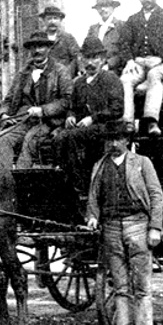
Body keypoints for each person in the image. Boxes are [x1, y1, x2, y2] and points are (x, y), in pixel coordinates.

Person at [86, 120, 163, 325]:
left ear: (127, 141)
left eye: (117, 139)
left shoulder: (142, 163)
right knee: (120, 286)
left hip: (138, 226)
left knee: (141, 285)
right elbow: (93, 197)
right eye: (109, 139)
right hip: (110, 229)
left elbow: (156, 195)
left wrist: (155, 227)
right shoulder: (99, 166)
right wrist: (92, 216)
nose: (112, 143)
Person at [55, 36, 126, 202]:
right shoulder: (79, 83)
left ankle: (82, 186)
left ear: (102, 60)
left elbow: (117, 109)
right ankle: (66, 179)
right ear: (81, 59)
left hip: (107, 127)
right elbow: (72, 106)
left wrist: (92, 118)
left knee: (71, 137)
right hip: (85, 128)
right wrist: (71, 116)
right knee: (59, 138)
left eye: (95, 58)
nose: (90, 62)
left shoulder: (110, 79)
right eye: (87, 57)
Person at [0, 31, 72, 168]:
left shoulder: (60, 71)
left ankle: (22, 183)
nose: (37, 51)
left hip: (48, 122)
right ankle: (3, 181)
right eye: (33, 47)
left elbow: (67, 100)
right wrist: (3, 114)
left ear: (48, 49)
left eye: (41, 47)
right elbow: (9, 100)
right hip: (23, 121)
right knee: (1, 139)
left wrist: (43, 110)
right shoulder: (23, 73)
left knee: (29, 141)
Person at [119, 0, 163, 136]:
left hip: (162, 63)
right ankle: (128, 122)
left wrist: (160, 58)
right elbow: (124, 43)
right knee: (125, 79)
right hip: (138, 62)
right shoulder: (132, 20)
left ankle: (151, 121)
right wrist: (130, 60)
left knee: (154, 76)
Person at [85, 0, 128, 77]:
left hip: (114, 69)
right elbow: (86, 50)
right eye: (100, 7)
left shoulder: (121, 26)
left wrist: (109, 64)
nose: (103, 9)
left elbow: (124, 51)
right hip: (94, 68)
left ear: (113, 8)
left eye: (106, 6)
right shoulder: (93, 29)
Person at [40, 5, 81, 77]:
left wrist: (67, 73)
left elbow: (76, 57)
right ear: (44, 21)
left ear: (60, 20)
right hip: (44, 78)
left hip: (64, 78)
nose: (52, 21)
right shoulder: (39, 38)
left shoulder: (68, 38)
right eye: (49, 19)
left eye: (55, 18)